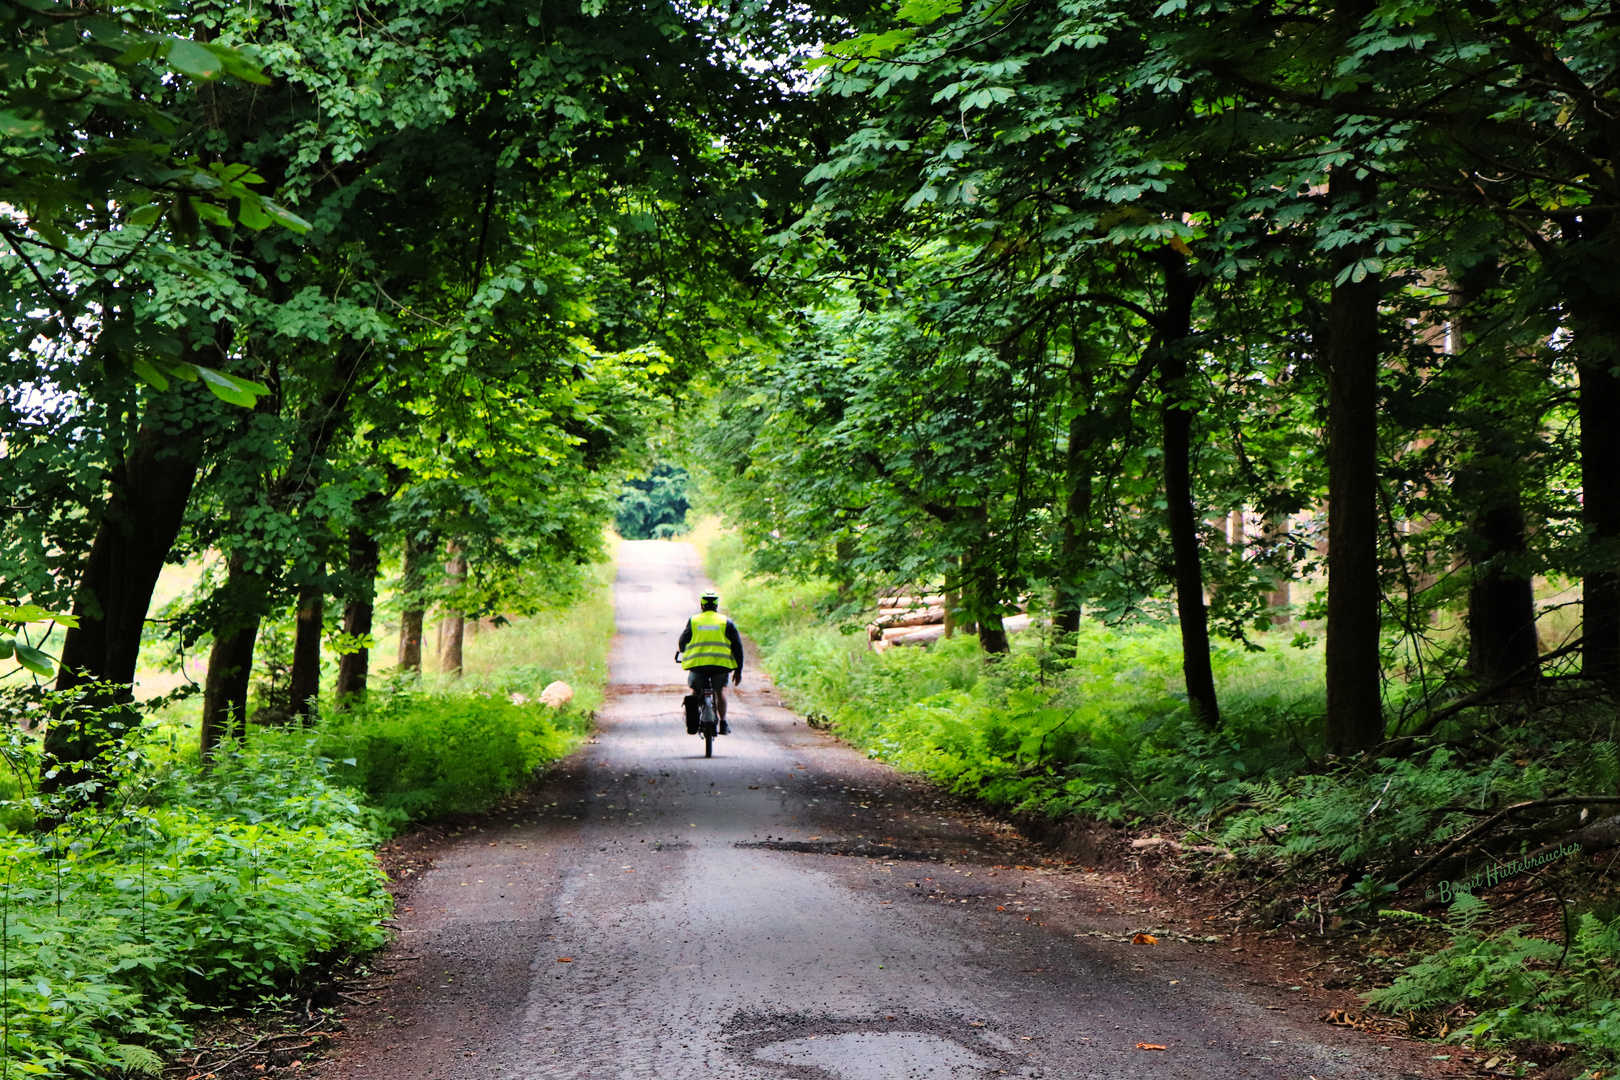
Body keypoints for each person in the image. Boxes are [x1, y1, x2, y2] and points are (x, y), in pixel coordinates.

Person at [676, 589, 743, 734]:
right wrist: (738, 670)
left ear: (702, 604)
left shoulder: (694, 621)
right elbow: (738, 647)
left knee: (696, 691)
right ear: (717, 605)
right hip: (720, 666)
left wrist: (683, 651)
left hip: (698, 666)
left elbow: (682, 642)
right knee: (719, 691)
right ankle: (723, 723)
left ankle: (692, 721)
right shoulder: (726, 622)